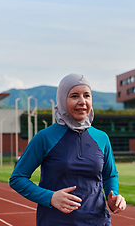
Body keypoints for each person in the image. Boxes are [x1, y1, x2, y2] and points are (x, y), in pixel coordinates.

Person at [10, 73, 126, 225]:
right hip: (55, 221)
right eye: (74, 96)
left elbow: (110, 175)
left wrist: (114, 197)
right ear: (63, 99)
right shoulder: (45, 137)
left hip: (98, 221)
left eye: (87, 95)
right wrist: (50, 197)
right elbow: (17, 178)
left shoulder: (101, 137)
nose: (82, 102)